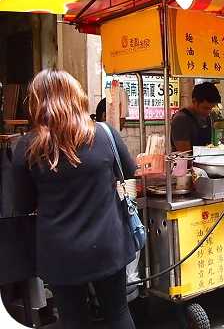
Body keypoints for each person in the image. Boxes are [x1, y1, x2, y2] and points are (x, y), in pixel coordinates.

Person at [11, 69, 136, 329]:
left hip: (59, 251)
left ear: (37, 102)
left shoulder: (26, 147)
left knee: (72, 320)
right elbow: (130, 171)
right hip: (107, 243)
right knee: (117, 312)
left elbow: (23, 205)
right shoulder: (104, 134)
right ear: (76, 97)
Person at [171, 82, 221, 152]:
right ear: (194, 101)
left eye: (211, 108)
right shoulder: (181, 120)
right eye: (205, 108)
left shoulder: (207, 118)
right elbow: (184, 154)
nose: (208, 112)